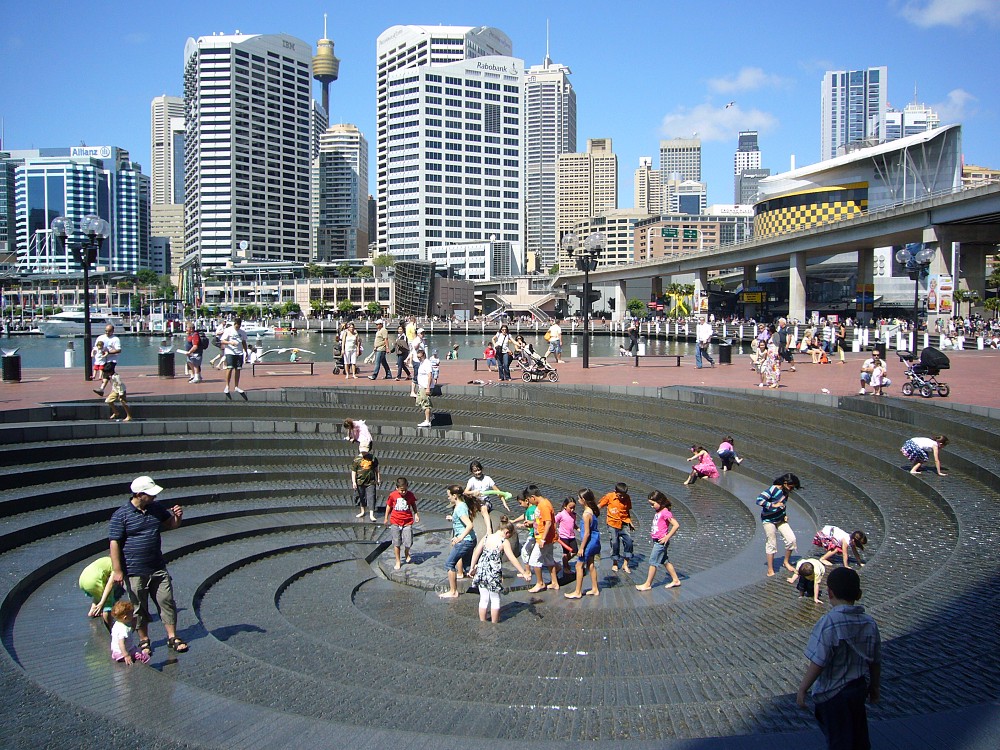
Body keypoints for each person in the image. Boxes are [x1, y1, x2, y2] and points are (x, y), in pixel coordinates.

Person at [797, 567, 881, 750]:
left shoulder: (829, 622)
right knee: (858, 733)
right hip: (858, 688)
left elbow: (818, 661)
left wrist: (803, 688)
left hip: (833, 693)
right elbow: (875, 661)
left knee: (839, 739)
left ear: (830, 593)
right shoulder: (869, 623)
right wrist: (875, 686)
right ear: (859, 594)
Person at [108, 475, 188, 656]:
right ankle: (144, 640)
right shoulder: (121, 515)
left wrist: (177, 517)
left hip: (157, 567)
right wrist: (117, 570)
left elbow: (171, 524)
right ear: (138, 494)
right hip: (134, 570)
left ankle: (172, 636)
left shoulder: (156, 508)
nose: (154, 497)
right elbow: (114, 543)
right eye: (150, 494)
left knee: (166, 601)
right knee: (139, 607)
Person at [469, 517, 532, 623]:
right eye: (509, 536)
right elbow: (512, 558)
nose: (508, 538)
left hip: (481, 570)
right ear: (507, 532)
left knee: (483, 598)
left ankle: (482, 622)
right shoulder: (503, 541)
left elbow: (476, 552)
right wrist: (523, 572)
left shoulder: (487, 537)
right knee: (495, 599)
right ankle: (494, 623)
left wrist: (472, 568)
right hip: (493, 572)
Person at [438, 486, 480, 599]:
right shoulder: (462, 505)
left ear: (455, 496)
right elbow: (462, 520)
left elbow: (469, 525)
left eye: (449, 496)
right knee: (467, 566)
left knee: (449, 564)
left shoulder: (460, 508)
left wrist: (459, 538)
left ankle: (453, 592)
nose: (448, 498)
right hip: (470, 540)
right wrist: (453, 519)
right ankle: (482, 579)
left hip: (465, 541)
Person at [635, 490, 681, 590]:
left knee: (653, 562)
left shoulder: (665, 512)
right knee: (665, 561)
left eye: (653, 504)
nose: (652, 507)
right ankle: (676, 580)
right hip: (657, 541)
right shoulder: (659, 511)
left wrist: (667, 537)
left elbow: (676, 525)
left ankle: (647, 584)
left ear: (659, 501)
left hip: (661, 542)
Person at [756, 473, 800, 577]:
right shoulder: (773, 490)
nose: (791, 489)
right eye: (791, 487)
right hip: (768, 519)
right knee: (772, 543)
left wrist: (784, 515)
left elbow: (783, 504)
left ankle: (786, 562)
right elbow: (759, 500)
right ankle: (770, 569)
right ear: (785, 483)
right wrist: (773, 505)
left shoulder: (785, 491)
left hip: (780, 519)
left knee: (791, 539)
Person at [564, 489, 601, 599]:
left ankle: (577, 592)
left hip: (589, 542)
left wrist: (582, 548)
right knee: (591, 564)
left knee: (578, 565)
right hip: (595, 541)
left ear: (583, 500)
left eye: (579, 498)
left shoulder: (586, 514)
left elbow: (587, 533)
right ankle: (595, 589)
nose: (578, 500)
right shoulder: (592, 510)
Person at [526, 485, 560, 593]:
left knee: (534, 560)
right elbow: (541, 521)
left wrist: (543, 539)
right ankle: (554, 582)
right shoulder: (543, 503)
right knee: (549, 559)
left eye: (529, 500)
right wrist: (531, 523)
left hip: (544, 538)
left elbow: (548, 522)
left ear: (533, 497)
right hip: (547, 537)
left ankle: (540, 583)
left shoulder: (544, 505)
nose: (530, 502)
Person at [383, 476, 419, 570]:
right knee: (396, 542)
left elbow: (413, 504)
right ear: (397, 488)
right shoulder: (393, 495)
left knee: (409, 541)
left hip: (407, 521)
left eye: (405, 490)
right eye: (401, 490)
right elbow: (388, 506)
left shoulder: (410, 495)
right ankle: (398, 561)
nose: (403, 492)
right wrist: (386, 518)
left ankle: (407, 552)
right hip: (395, 521)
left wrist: (416, 514)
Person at [597, 482, 634, 573]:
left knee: (629, 542)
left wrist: (630, 522)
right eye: (620, 495)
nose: (622, 497)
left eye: (624, 495)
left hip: (624, 523)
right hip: (612, 523)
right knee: (614, 543)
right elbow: (599, 506)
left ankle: (625, 564)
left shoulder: (627, 498)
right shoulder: (609, 496)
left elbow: (627, 511)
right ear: (615, 491)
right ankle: (615, 563)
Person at [78, 555, 121, 628]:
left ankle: (93, 610)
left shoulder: (107, 559)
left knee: (99, 592)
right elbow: (110, 584)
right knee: (107, 605)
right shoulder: (116, 565)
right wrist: (102, 603)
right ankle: (111, 628)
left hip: (82, 580)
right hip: (93, 582)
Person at [109, 600, 150, 665]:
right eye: (131, 614)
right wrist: (126, 655)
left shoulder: (117, 624)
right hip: (123, 653)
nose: (133, 615)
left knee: (137, 649)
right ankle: (145, 664)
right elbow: (121, 644)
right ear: (125, 617)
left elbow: (128, 634)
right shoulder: (123, 629)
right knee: (143, 655)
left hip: (116, 652)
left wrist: (134, 623)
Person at [220, 317, 249, 400]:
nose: (238, 328)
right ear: (234, 324)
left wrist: (246, 352)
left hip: (239, 353)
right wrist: (230, 342)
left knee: (238, 369)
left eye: (239, 326)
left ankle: (236, 386)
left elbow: (244, 342)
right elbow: (222, 341)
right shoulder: (228, 330)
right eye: (237, 326)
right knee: (229, 368)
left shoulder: (242, 332)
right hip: (230, 352)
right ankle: (227, 386)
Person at [350, 450, 380, 522]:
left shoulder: (372, 458)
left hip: (371, 481)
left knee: (371, 496)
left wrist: (378, 478)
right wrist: (354, 482)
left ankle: (371, 514)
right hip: (360, 481)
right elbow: (354, 471)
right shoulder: (357, 459)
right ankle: (362, 511)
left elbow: (376, 469)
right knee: (361, 496)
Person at [92, 324, 122, 396]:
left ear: (112, 331)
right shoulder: (100, 337)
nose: (107, 332)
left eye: (109, 331)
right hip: (102, 360)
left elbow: (118, 350)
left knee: (106, 371)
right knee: (110, 374)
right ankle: (117, 388)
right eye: (106, 331)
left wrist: (108, 352)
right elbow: (95, 348)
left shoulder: (115, 339)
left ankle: (102, 389)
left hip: (112, 359)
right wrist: (94, 353)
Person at [555, 497, 578, 571]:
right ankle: (565, 567)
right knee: (566, 552)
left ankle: (565, 560)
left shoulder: (573, 515)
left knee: (575, 551)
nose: (572, 510)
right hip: (563, 536)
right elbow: (554, 521)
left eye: (574, 508)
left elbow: (573, 524)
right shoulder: (561, 514)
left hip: (571, 536)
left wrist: (578, 529)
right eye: (570, 508)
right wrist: (555, 531)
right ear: (565, 506)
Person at [414, 348, 434, 428]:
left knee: (426, 403)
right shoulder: (422, 363)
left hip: (425, 387)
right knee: (420, 402)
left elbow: (430, 375)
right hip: (421, 387)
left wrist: (428, 388)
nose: (419, 359)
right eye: (418, 357)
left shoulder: (427, 363)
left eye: (420, 357)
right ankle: (431, 416)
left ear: (424, 355)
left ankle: (427, 421)